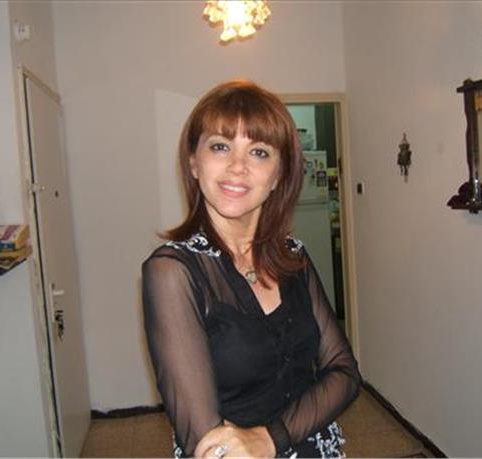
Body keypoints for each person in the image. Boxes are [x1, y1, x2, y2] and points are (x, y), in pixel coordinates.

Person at [142, 80, 361, 459]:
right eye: (220, 146)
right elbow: (205, 443)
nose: (237, 167)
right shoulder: (173, 272)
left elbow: (344, 372)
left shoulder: (293, 256)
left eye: (259, 152)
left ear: (278, 176)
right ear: (194, 163)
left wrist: (269, 438)